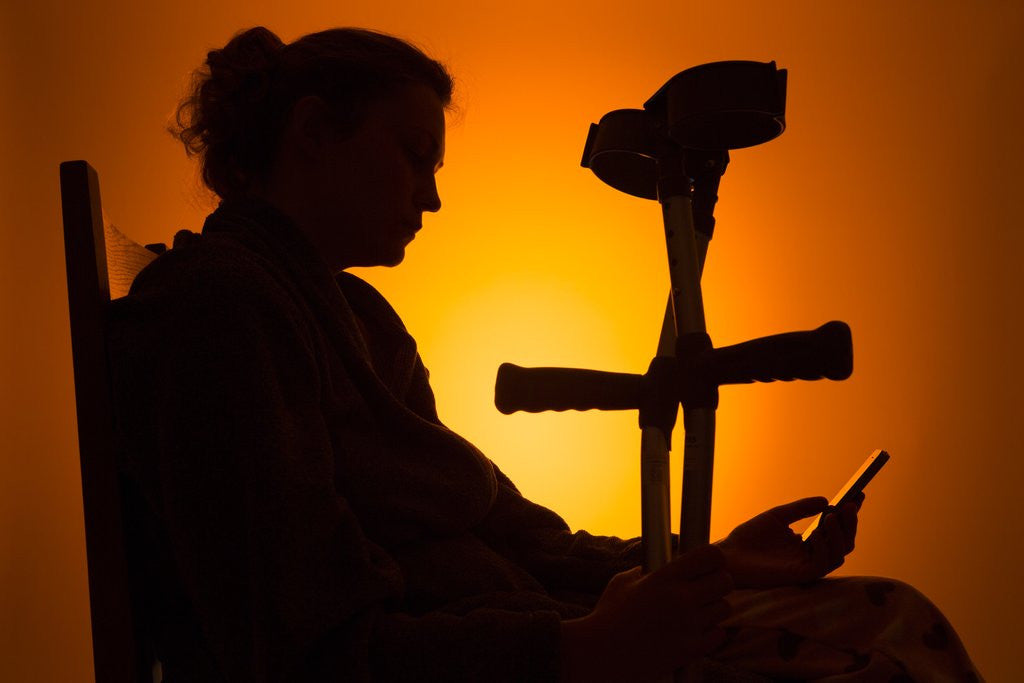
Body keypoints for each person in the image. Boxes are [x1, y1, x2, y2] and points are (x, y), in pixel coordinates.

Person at [108, 26, 982, 682]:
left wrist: (702, 561)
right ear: (313, 131)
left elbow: (521, 536)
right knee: (886, 645)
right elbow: (306, 645)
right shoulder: (218, 314)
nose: (434, 197)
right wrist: (578, 650)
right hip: (533, 659)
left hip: (551, 630)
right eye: (415, 157)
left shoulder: (359, 321)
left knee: (887, 610)